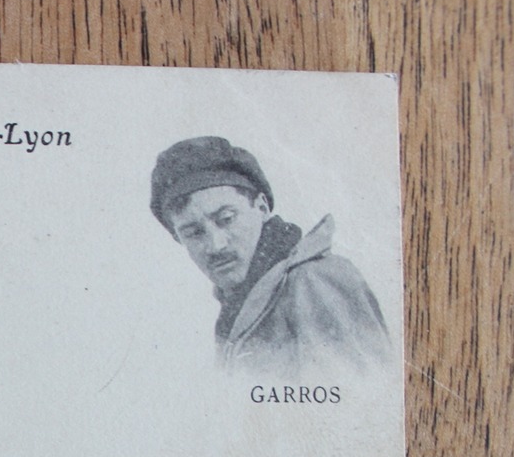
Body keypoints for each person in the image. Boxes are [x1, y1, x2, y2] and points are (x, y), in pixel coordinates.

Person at [150, 136, 393, 377]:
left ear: (262, 207)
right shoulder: (238, 303)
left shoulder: (313, 279)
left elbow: (359, 401)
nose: (216, 245)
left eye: (226, 219)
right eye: (193, 233)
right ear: (177, 238)